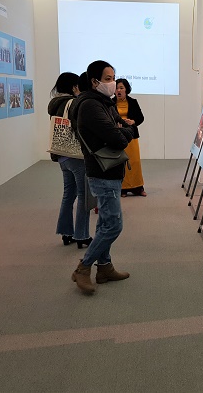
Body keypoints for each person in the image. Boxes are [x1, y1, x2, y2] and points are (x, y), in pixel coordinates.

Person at [69, 60, 134, 294]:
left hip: (110, 170)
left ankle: (104, 267)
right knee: (114, 225)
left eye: (114, 78)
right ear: (94, 81)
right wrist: (124, 130)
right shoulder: (90, 105)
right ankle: (84, 267)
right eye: (108, 79)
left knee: (106, 222)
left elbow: (125, 128)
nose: (113, 83)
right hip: (102, 171)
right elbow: (119, 138)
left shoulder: (103, 103)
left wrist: (123, 129)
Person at [47, 72, 92, 249]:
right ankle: (82, 235)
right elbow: (79, 128)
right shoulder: (73, 103)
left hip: (62, 155)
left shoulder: (55, 103)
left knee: (68, 194)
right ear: (74, 87)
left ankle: (66, 232)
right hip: (76, 156)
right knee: (83, 195)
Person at [114, 78, 146, 197]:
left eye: (121, 88)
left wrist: (133, 121)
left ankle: (138, 188)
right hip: (118, 136)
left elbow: (141, 117)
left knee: (135, 161)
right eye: (117, 88)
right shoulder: (110, 103)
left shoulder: (133, 102)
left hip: (131, 135)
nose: (119, 90)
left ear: (126, 89)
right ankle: (123, 189)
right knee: (121, 162)